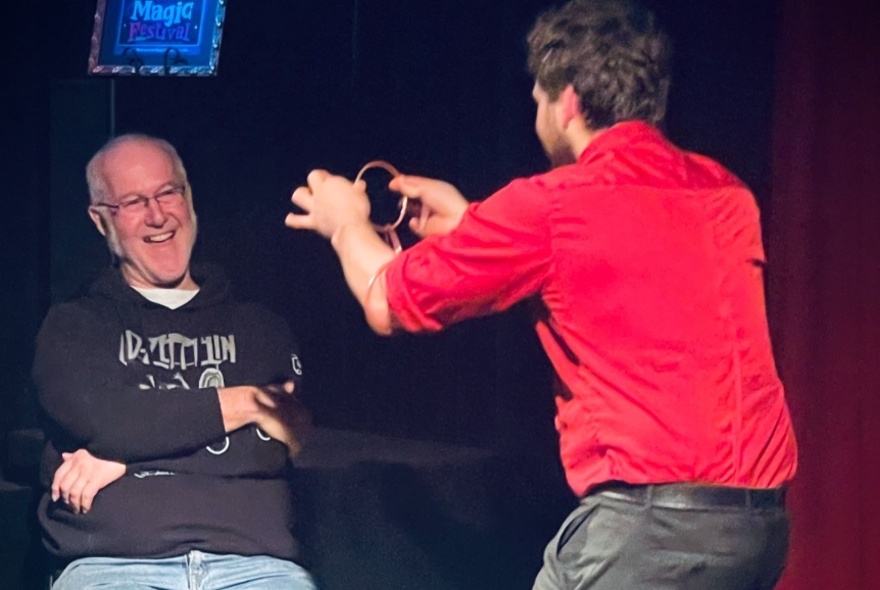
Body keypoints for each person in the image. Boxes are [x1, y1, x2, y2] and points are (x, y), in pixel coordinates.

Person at [283, 0, 798, 588]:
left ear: (569, 101)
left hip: (650, 531)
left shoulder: (553, 205)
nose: (536, 114)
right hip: (757, 527)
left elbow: (388, 299)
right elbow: (616, 265)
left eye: (537, 100)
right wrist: (475, 223)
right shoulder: (724, 192)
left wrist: (345, 221)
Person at [33, 133, 316, 589]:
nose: (158, 214)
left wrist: (123, 459)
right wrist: (245, 403)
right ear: (101, 220)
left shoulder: (258, 327)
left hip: (255, 567)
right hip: (113, 568)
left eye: (168, 192)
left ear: (189, 198)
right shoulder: (75, 327)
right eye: (133, 201)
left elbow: (283, 439)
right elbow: (100, 421)